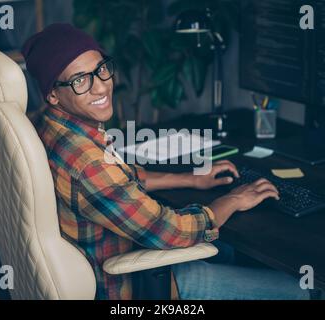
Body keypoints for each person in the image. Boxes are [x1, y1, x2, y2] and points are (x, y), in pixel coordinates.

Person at [22, 23, 309, 300]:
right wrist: (233, 199)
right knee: (297, 290)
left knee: (232, 252)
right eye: (80, 80)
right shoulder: (88, 164)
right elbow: (172, 232)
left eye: (101, 70)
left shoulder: (49, 126)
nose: (100, 88)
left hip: (121, 253)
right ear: (53, 94)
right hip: (132, 285)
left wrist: (192, 179)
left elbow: (120, 176)